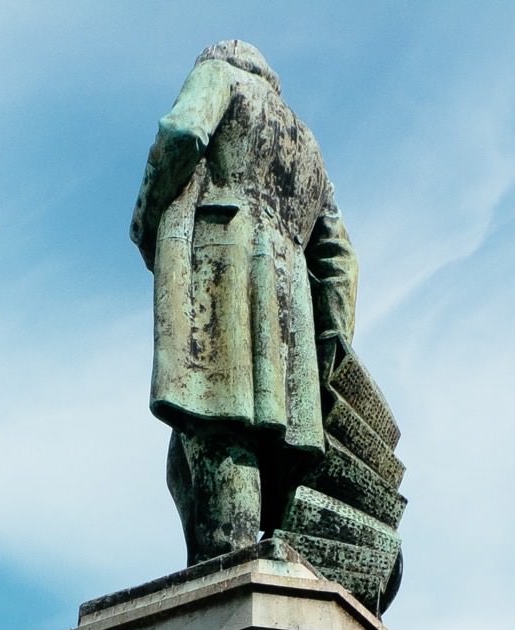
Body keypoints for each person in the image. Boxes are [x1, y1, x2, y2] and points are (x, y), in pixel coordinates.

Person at [130, 40, 358, 564]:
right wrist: (330, 346)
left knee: (219, 430)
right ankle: (231, 569)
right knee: (193, 459)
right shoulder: (307, 143)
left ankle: (225, 575)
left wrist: (146, 222)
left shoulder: (220, 76)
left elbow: (182, 132)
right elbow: (339, 258)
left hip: (225, 270)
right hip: (290, 310)